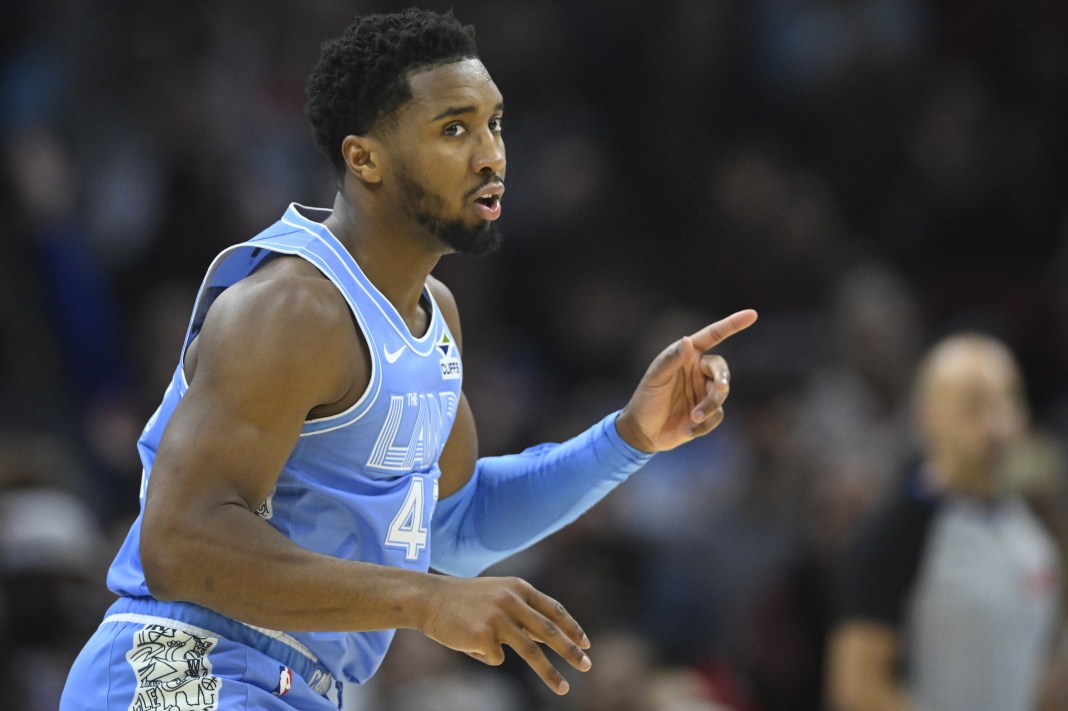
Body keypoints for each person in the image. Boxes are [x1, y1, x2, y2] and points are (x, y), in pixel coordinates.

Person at [60, 8, 757, 710]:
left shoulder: (434, 314)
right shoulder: (291, 309)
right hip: (182, 664)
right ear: (364, 157)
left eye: (495, 123)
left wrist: (628, 438)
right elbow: (180, 544)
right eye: (454, 129)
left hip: (292, 681)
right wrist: (424, 601)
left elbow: (453, 529)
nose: (491, 155)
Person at [825, 333, 1063, 711]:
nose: (997, 426)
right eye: (974, 406)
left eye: (1008, 400)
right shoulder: (894, 533)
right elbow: (858, 687)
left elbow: (1044, 675)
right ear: (927, 419)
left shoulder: (1035, 536)